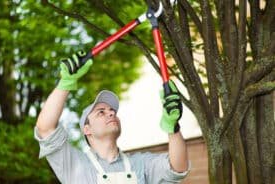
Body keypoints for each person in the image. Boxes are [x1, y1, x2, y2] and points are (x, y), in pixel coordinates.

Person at [34, 51, 190, 184]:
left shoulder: (140, 164)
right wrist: (65, 83)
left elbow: (178, 168)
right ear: (87, 129)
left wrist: (173, 128)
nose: (111, 113)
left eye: (112, 111)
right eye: (101, 112)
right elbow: (45, 128)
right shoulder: (75, 164)